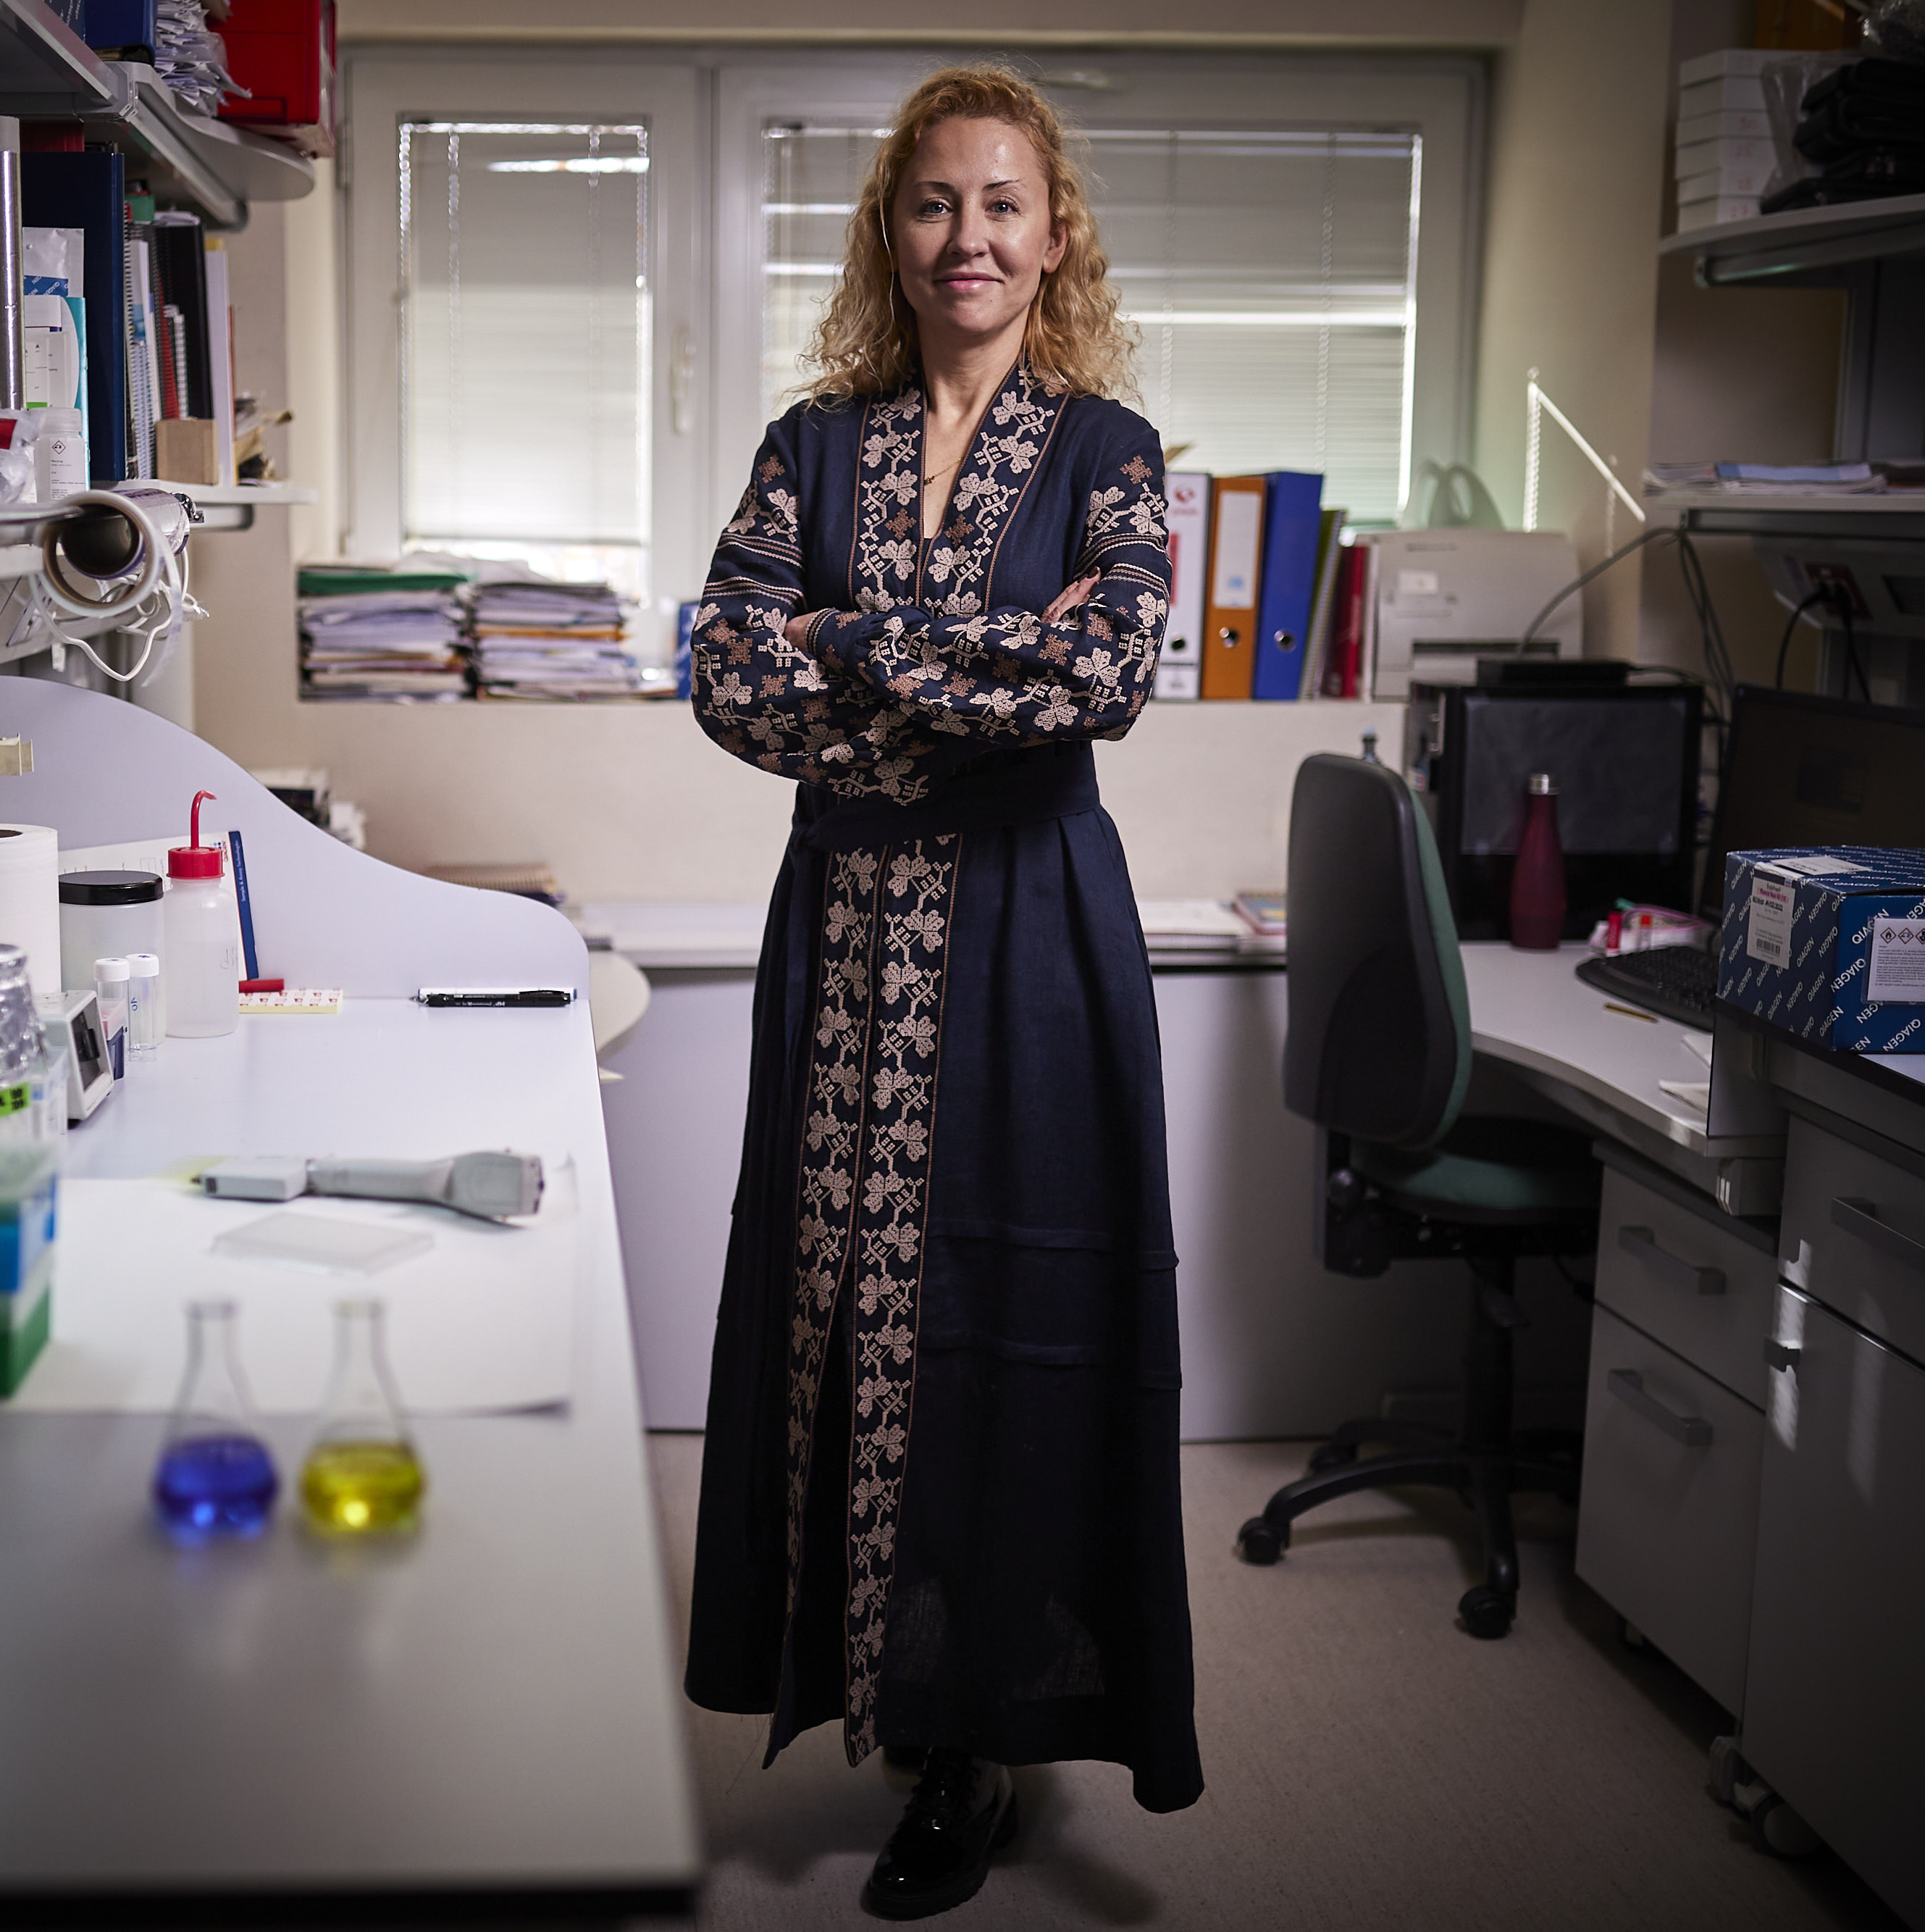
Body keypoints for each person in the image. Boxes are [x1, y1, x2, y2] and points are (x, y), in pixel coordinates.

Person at [681, 62, 1201, 1920]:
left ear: (1051, 235)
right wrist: (944, 664)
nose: (965, 237)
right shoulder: (808, 445)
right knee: (837, 1308)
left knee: (1005, 1316)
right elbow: (726, 675)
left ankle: (979, 1735)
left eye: (1001, 204)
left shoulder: (1110, 451)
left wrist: (853, 645)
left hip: (1030, 940)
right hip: (842, 945)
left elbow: (1103, 670)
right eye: (930, 203)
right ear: (886, 234)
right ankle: (871, 1674)